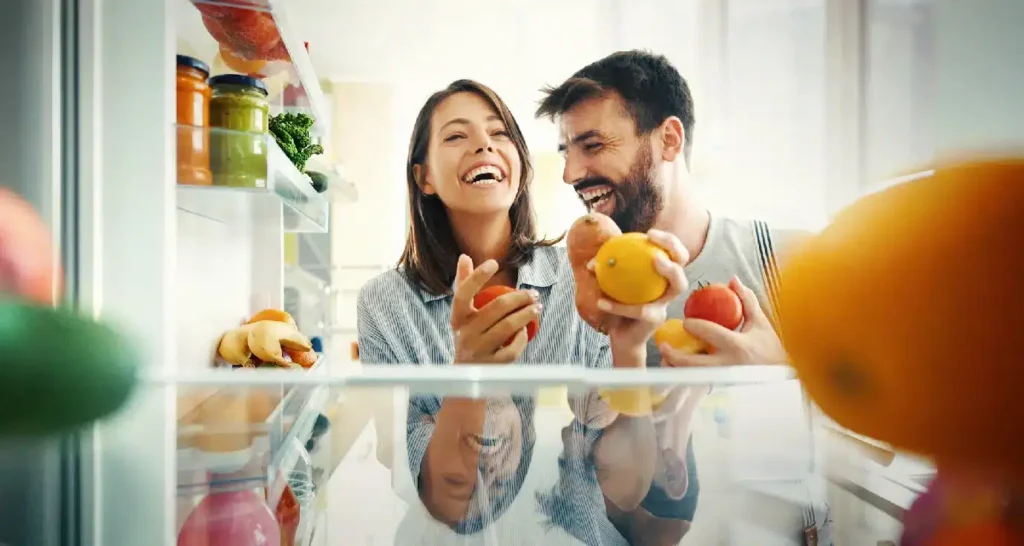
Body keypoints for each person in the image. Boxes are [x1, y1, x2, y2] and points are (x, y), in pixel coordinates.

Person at [356, 79, 691, 542]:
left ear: (520, 164)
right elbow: (443, 498)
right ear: (424, 177)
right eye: (456, 136)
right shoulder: (385, 303)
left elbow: (624, 490)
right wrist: (468, 375)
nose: (483, 145)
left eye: (500, 134)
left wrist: (629, 354)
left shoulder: (583, 276)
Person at [535, 49, 832, 544]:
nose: (570, 173)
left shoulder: (787, 262)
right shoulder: (574, 289)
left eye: (592, 145)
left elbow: (877, 433)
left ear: (669, 139)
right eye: (567, 151)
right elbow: (594, 489)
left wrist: (779, 370)